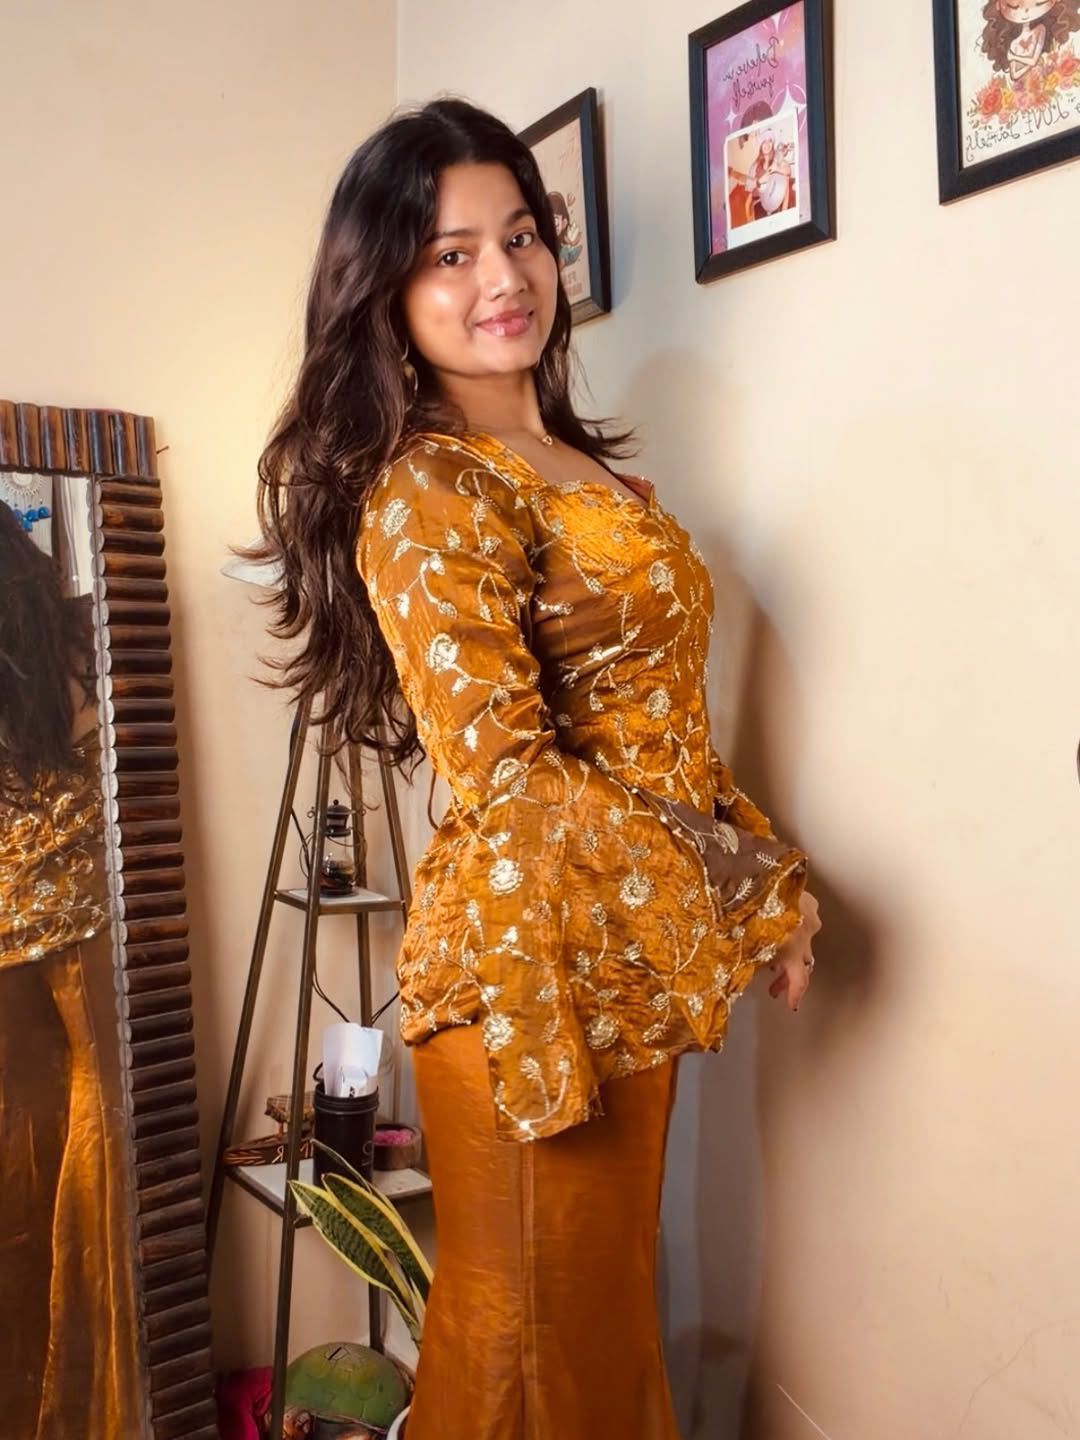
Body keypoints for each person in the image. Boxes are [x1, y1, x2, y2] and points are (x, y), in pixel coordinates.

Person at [249, 95, 822, 1440]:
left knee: (599, 1346)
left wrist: (768, 867)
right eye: (449, 254)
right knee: (527, 1365)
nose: (502, 277)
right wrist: (747, 889)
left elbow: (658, 731)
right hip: (525, 977)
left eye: (519, 236)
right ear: (386, 290)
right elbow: (514, 777)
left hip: (620, 959)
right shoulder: (428, 488)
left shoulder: (572, 464)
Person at [0, 498, 142, 1439]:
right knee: (94, 1172)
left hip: (42, 951)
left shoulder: (85, 640)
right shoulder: (87, 638)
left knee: (29, 1183)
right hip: (95, 937)